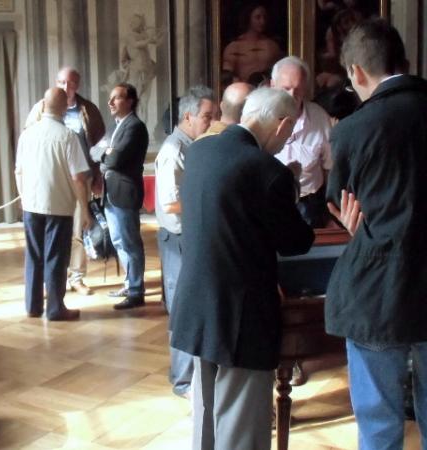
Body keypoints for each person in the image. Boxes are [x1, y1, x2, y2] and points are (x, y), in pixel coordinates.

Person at [170, 87, 314, 450]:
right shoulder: (267, 170)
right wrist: (292, 194)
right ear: (282, 124)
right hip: (242, 317)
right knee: (241, 428)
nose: (287, 139)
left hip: (196, 304)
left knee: (205, 417)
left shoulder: (200, 149)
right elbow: (295, 241)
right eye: (290, 130)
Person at [324, 19, 427, 450]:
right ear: (405, 62)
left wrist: (357, 223)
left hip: (379, 287)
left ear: (356, 72)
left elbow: (339, 202)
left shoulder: (354, 128)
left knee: (379, 422)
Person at [155, 85, 214, 398]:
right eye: (207, 116)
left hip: (189, 237)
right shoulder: (174, 150)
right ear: (188, 116)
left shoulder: (193, 146)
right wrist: (209, 200)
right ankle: (182, 381)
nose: (212, 122)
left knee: (190, 307)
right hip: (177, 240)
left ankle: (191, 376)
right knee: (182, 310)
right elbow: (170, 203)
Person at [25, 67, 105, 296]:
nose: (65, 87)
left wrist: (97, 175)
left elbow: (97, 146)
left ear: (77, 85)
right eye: (61, 82)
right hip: (49, 180)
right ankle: (47, 281)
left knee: (78, 230)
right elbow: (29, 141)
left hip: (80, 178)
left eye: (70, 83)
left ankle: (76, 277)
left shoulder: (87, 109)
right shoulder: (41, 108)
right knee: (48, 232)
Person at [15, 88, 92, 321]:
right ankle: (56, 308)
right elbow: (78, 178)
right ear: (64, 106)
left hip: (31, 204)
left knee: (34, 255)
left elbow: (18, 171)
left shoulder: (27, 135)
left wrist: (23, 197)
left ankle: (33, 305)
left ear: (44, 105)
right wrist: (84, 209)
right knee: (56, 258)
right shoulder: (67, 136)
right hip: (58, 205)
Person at [91, 83, 149, 310]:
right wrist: (105, 152)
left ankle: (136, 291)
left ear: (130, 101)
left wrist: (106, 154)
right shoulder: (117, 126)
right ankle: (129, 283)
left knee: (130, 242)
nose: (110, 102)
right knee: (118, 241)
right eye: (111, 98)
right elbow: (94, 150)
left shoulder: (134, 127)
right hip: (111, 194)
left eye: (116, 98)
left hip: (124, 194)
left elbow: (114, 160)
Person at [271, 56, 333, 229]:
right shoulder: (260, 117)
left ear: (305, 88)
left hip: (310, 203)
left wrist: (330, 212)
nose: (292, 96)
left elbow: (330, 168)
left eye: (297, 90)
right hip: (271, 201)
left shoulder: (320, 117)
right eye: (286, 89)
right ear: (272, 85)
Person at [222, 4, 283, 83]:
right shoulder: (234, 47)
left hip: (267, 88)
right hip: (242, 87)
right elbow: (227, 74)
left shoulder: (272, 46)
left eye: (264, 17)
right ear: (248, 19)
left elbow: (280, 71)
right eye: (258, 17)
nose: (262, 21)